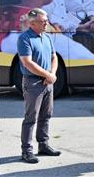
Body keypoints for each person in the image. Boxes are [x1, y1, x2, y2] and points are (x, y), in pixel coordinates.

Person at [17, 8, 61, 164]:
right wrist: (47, 75)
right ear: (33, 23)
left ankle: (43, 145)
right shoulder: (25, 38)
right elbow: (27, 63)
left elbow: (54, 57)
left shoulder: (47, 37)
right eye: (43, 21)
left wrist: (52, 74)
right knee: (31, 118)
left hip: (47, 81)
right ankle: (27, 151)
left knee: (46, 116)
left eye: (47, 20)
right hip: (33, 82)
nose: (46, 23)